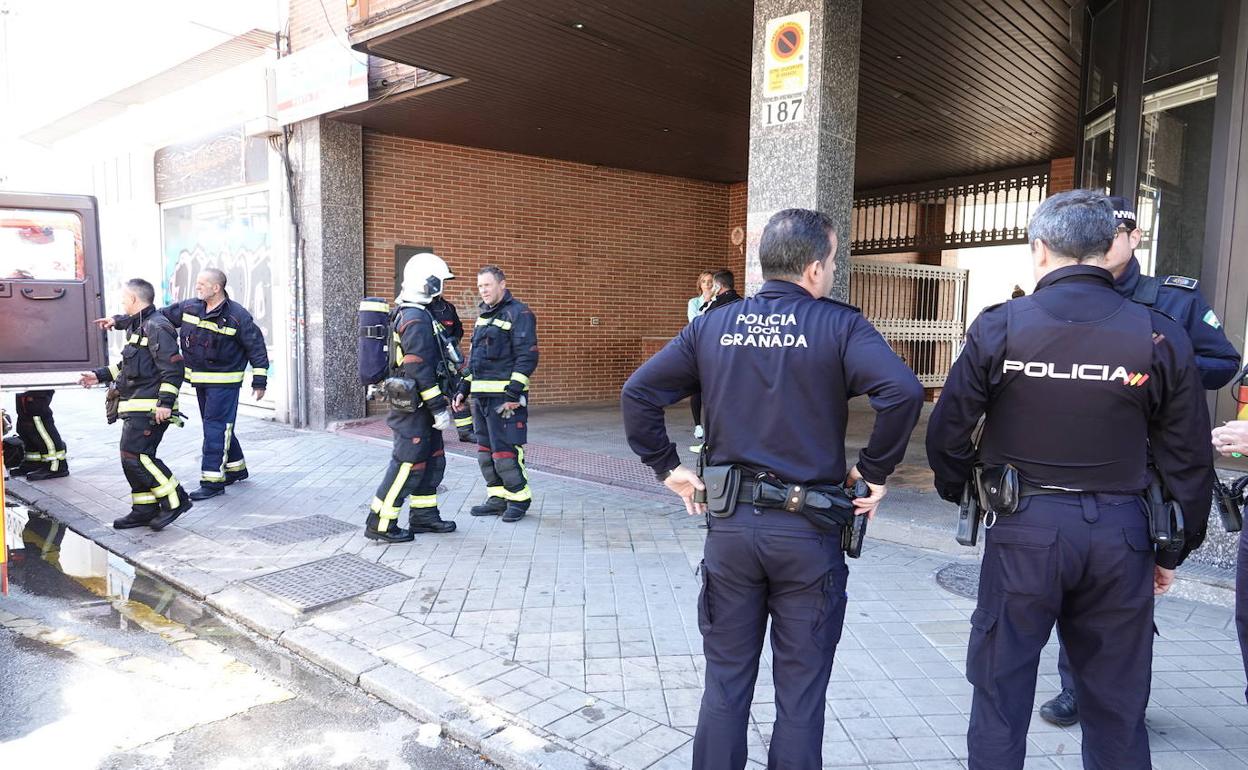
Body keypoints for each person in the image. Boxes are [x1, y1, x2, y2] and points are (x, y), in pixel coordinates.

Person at [621, 208, 924, 770]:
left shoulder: (713, 324)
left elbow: (639, 392)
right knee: (801, 695)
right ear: (814, 268)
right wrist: (874, 472)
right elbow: (902, 393)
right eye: (832, 262)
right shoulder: (840, 325)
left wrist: (668, 469)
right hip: (808, 535)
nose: (831, 272)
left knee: (726, 685)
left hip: (731, 530)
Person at [926, 189, 1213, 770]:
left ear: (1039, 250)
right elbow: (1188, 455)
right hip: (1122, 533)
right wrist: (1174, 547)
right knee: (1116, 705)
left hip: (1023, 529)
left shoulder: (1000, 325)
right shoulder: (1156, 332)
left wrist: (964, 489)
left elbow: (947, 432)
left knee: (1001, 696)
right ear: (1111, 248)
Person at [1038, 196, 1242, 727]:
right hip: (1081, 454)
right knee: (1074, 584)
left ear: (1133, 238)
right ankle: (1074, 688)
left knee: (1129, 590)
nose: (1108, 241)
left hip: (1150, 464)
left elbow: (1224, 362)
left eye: (1119, 231)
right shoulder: (1059, 295)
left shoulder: (1173, 299)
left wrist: (1158, 364)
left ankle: (1125, 696)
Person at [97, 268, 268, 501]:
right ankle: (236, 467)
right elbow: (152, 316)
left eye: (202, 284)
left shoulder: (237, 315)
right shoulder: (190, 307)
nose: (197, 287)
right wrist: (118, 321)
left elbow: (255, 346)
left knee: (216, 427)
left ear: (216, 288)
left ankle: (212, 481)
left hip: (224, 383)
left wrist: (259, 381)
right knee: (219, 426)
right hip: (200, 381)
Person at [80, 278, 192, 531]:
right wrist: (99, 375)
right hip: (135, 406)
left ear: (133, 299)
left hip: (151, 408)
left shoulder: (158, 327)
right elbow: (128, 365)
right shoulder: (140, 326)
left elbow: (173, 369)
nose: (122, 303)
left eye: (123, 299)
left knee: (137, 456)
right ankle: (143, 510)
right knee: (130, 457)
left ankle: (176, 500)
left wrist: (165, 404)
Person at [365, 252, 459, 542]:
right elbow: (419, 368)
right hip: (415, 408)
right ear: (427, 283)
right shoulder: (416, 318)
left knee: (432, 461)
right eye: (439, 281)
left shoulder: (415, 312)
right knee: (406, 464)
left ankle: (424, 516)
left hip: (418, 407)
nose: (442, 287)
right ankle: (380, 523)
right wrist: (438, 408)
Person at [452, 266, 539, 523]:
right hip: (481, 399)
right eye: (480, 286)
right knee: (485, 451)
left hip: (505, 400)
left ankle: (519, 499)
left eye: (487, 285)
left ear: (502, 284)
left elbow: (528, 356)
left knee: (506, 451)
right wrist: (462, 388)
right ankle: (497, 498)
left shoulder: (519, 313)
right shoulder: (483, 316)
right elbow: (475, 360)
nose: (483, 291)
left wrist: (514, 392)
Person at [689, 270, 744, 448]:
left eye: (712, 283)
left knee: (714, 400)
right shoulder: (744, 303)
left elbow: (698, 326)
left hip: (715, 356)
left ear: (718, 286)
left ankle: (711, 443)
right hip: (737, 358)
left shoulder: (715, 306)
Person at [427, 290, 474, 442]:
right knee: (427, 395)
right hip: (427, 360)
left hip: (448, 360)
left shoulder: (448, 308)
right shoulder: (420, 309)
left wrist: (451, 344)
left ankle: (465, 431)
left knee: (458, 391)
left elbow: (459, 330)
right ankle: (428, 434)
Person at [12, 390, 68, 480]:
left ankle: (56, 466)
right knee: (25, 423)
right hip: (24, 384)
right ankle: (34, 463)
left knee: (39, 422)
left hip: (36, 385)